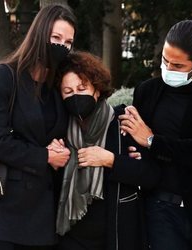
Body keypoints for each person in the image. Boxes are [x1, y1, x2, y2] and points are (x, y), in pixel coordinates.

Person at [119, 19, 192, 250]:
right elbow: (137, 146)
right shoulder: (147, 91)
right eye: (165, 60)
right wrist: (135, 147)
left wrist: (153, 142)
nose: (169, 69)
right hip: (160, 209)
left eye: (178, 66)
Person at [0, 4, 76, 250]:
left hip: (42, 217)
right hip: (1, 214)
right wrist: (45, 155)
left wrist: (58, 147)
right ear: (39, 33)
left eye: (68, 42)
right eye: (56, 37)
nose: (61, 46)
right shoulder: (5, 75)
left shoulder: (56, 86)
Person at [47, 51, 161, 250]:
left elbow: (149, 175)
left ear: (97, 89)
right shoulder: (59, 129)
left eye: (82, 88)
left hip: (117, 234)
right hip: (70, 236)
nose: (76, 96)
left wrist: (110, 160)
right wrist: (52, 157)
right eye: (68, 91)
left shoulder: (123, 124)